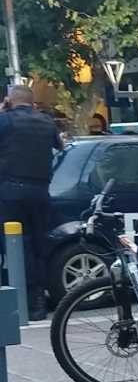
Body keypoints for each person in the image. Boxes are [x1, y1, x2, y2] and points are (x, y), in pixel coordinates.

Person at [0, 86, 63, 321]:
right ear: (33, 102)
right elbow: (60, 147)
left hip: (10, 193)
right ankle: (38, 303)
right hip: (40, 192)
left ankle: (19, 305)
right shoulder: (47, 122)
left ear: (10, 101)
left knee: (16, 247)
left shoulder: (5, 121)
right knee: (39, 246)